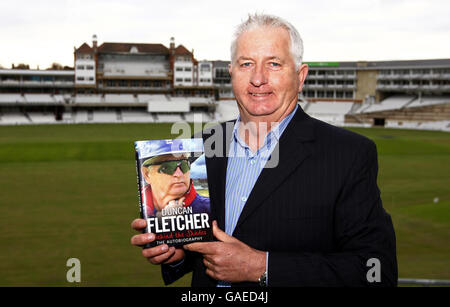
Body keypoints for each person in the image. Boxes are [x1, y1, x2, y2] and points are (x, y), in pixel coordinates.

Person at [131, 13, 397, 287]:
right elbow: (206, 246)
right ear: (231, 73)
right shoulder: (202, 148)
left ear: (300, 75)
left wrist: (263, 267)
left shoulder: (348, 155)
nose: (258, 78)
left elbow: (376, 271)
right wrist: (177, 252)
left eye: (274, 64)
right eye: (246, 64)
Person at [140, 153, 210, 217]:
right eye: (167, 167)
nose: (179, 174)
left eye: (184, 165)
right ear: (147, 175)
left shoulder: (210, 208)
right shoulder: (138, 208)